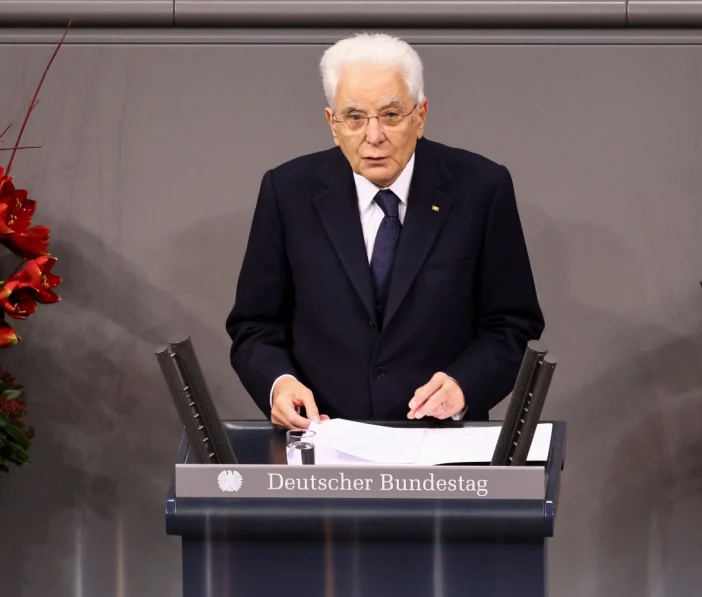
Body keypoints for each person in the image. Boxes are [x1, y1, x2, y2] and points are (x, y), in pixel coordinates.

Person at [225, 32, 544, 431]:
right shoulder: (287, 191)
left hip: (441, 446)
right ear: (333, 123)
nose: (373, 136)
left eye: (391, 115)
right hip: (323, 443)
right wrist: (279, 383)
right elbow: (254, 326)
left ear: (420, 115)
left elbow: (511, 323)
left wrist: (466, 385)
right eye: (355, 118)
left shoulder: (481, 188)